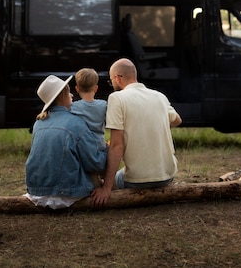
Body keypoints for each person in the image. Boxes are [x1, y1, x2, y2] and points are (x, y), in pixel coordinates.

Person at [92, 57, 182, 207]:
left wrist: (107, 187)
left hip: (137, 181)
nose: (112, 84)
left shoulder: (117, 98)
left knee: (105, 173)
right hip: (167, 176)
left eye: (111, 80)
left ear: (118, 78)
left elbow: (116, 146)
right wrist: (153, 127)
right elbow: (177, 120)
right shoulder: (159, 96)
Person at [25, 74, 108, 210]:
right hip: (67, 193)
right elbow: (94, 163)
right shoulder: (76, 123)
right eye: (69, 92)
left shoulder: (38, 123)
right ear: (62, 96)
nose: (72, 95)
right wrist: (106, 150)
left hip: (36, 192)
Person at [70, 68, 107, 148]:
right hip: (100, 145)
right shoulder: (104, 105)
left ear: (77, 89)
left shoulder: (73, 107)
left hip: (82, 146)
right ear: (96, 88)